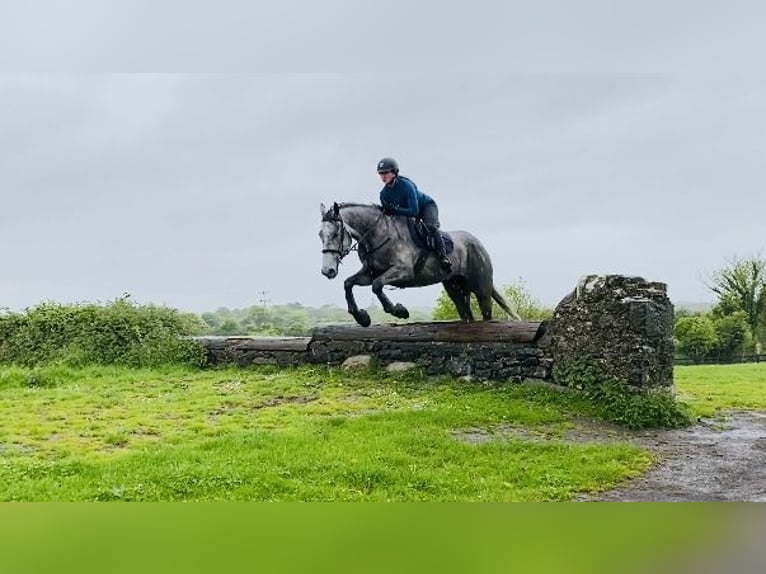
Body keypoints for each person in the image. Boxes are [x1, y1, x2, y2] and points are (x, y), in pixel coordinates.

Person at [376, 157, 452, 273]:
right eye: (381, 173)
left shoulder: (407, 186)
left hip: (426, 207)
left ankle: (443, 257)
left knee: (430, 227)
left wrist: (394, 209)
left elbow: (414, 211)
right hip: (407, 213)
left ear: (394, 172)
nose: (383, 176)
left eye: (386, 173)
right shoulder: (383, 194)